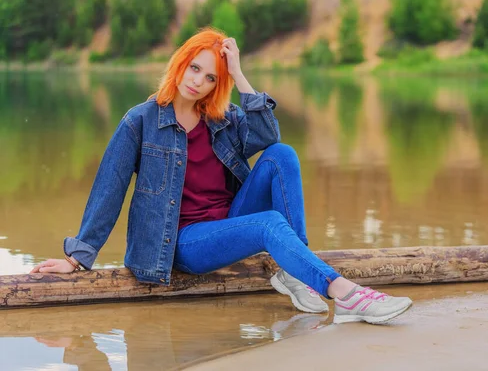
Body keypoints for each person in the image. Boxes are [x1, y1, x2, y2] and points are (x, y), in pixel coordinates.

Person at [30, 28, 412, 325]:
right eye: (195, 68)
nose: (198, 81)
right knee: (269, 224)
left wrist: (240, 75)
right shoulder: (140, 121)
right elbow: (108, 189)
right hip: (181, 243)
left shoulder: (223, 118)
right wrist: (77, 258)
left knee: (283, 155)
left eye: (211, 77)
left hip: (227, 224)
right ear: (180, 63)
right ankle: (344, 293)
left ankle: (299, 272)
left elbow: (268, 138)